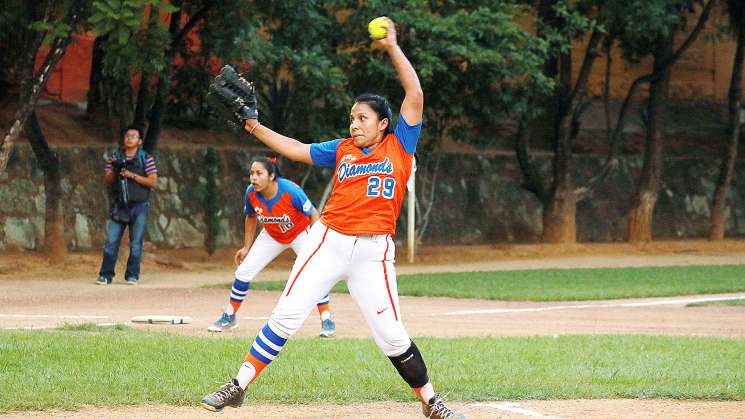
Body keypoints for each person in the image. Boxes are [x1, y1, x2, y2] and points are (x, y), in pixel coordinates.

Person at [201, 18, 465, 419]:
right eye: (351, 117)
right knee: (286, 315)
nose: (354, 123)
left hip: (375, 253)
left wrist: (392, 46)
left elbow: (415, 93)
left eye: (362, 118)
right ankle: (238, 386)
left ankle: (431, 401)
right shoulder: (341, 149)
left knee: (392, 336)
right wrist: (252, 125)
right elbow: (294, 149)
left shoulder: (400, 146)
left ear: (382, 124)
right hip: (329, 242)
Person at [207, 156, 336, 338]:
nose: (254, 178)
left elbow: (314, 214)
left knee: (313, 273)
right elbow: (250, 217)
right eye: (252, 173)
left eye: (259, 173)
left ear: (272, 176)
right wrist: (246, 247)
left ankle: (327, 319)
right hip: (272, 235)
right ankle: (229, 316)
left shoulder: (290, 191)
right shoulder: (251, 193)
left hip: (299, 233)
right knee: (244, 272)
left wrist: (315, 243)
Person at [96, 125, 157, 285]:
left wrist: (133, 176)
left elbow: (153, 181)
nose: (129, 139)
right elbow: (106, 180)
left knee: (136, 242)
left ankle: (132, 275)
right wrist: (115, 172)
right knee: (111, 241)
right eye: (127, 136)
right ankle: (105, 274)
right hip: (119, 204)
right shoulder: (115, 157)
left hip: (140, 205)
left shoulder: (146, 158)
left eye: (133, 136)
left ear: (139, 141)